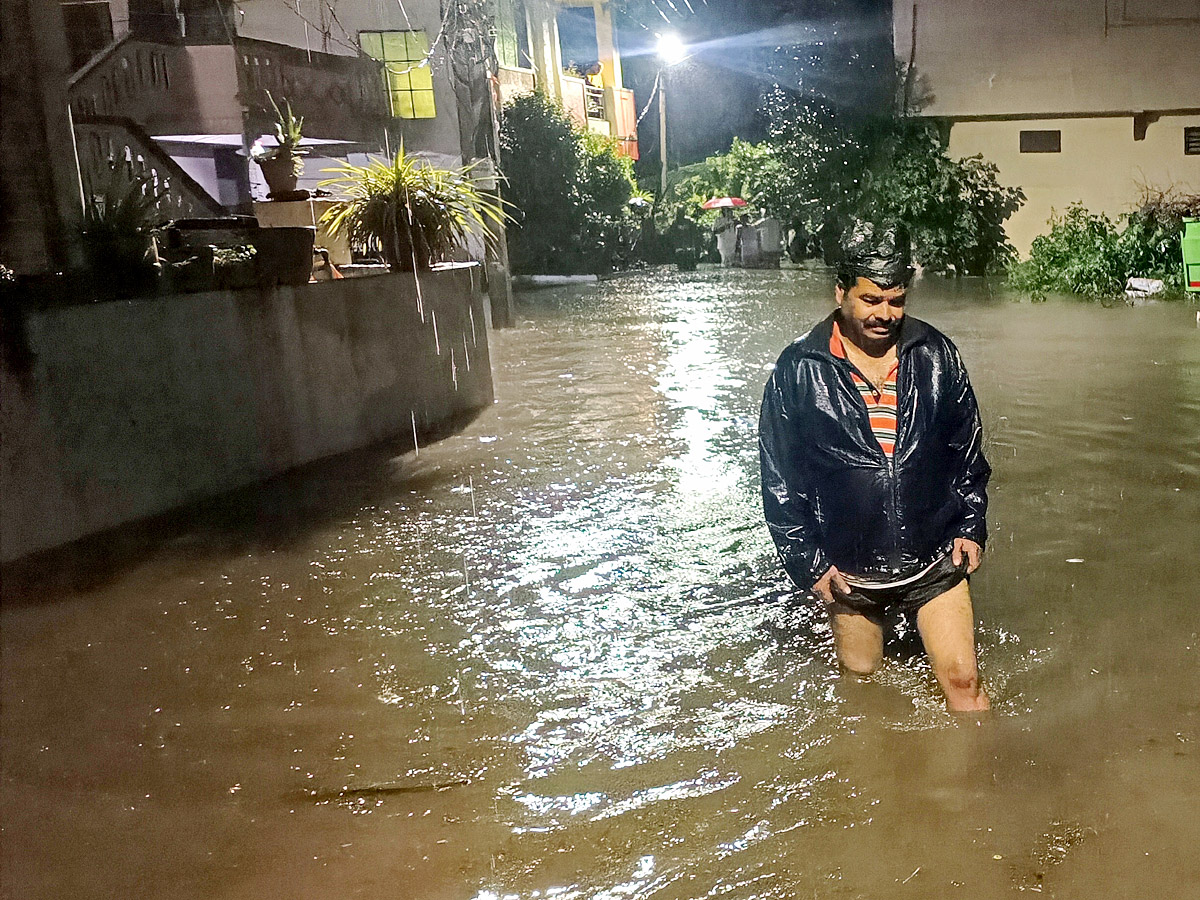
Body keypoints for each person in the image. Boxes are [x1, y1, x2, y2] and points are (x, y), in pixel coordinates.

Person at [758, 220, 991, 711]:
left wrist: (971, 524)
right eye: (870, 300)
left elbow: (967, 446)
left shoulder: (936, 354)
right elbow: (780, 477)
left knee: (964, 683)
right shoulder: (799, 367)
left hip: (934, 556)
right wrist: (808, 563)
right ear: (840, 291)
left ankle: (984, 781)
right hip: (850, 569)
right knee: (863, 689)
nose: (885, 314)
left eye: (896, 301)